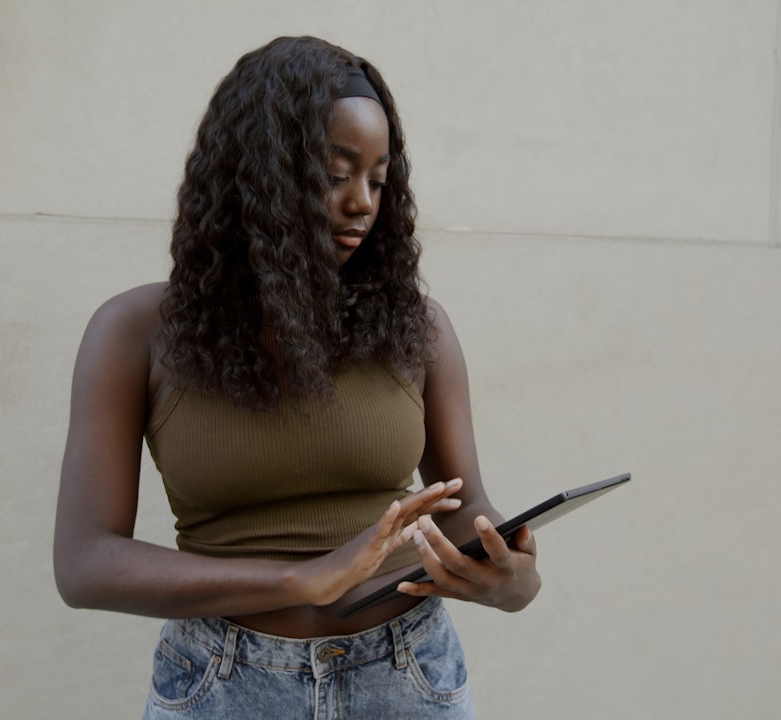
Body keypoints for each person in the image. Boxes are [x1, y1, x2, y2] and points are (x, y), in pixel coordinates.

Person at [53, 36, 541, 719]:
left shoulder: (417, 328)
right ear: (259, 174)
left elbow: (465, 511)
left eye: (377, 178)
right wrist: (298, 579)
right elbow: (85, 564)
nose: (361, 204)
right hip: (223, 681)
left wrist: (509, 580)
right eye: (335, 173)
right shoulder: (136, 334)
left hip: (405, 677)